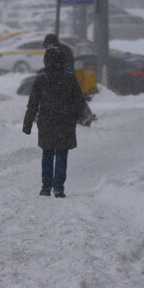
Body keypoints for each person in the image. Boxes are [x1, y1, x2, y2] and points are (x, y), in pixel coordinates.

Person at [22, 46, 91, 198]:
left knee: (47, 153)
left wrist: (27, 123)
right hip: (65, 121)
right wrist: (76, 116)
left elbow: (33, 103)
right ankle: (58, 188)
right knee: (61, 154)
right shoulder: (69, 78)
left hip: (46, 120)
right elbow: (79, 101)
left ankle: (46, 187)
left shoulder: (41, 78)